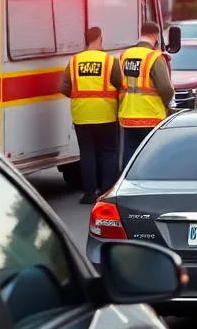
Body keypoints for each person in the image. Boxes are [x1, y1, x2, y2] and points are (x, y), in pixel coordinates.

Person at [59, 27, 120, 204]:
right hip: (106, 114)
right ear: (100, 39)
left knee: (87, 153)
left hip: (82, 114)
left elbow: (63, 87)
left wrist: (80, 97)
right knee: (108, 153)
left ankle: (89, 194)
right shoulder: (109, 61)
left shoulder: (75, 61)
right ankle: (107, 193)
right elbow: (119, 84)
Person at [115, 22, 174, 168]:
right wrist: (168, 103)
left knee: (130, 155)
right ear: (155, 36)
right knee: (152, 156)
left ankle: (129, 185)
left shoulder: (124, 56)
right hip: (151, 116)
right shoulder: (155, 57)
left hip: (128, 115)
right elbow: (166, 88)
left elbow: (118, 82)